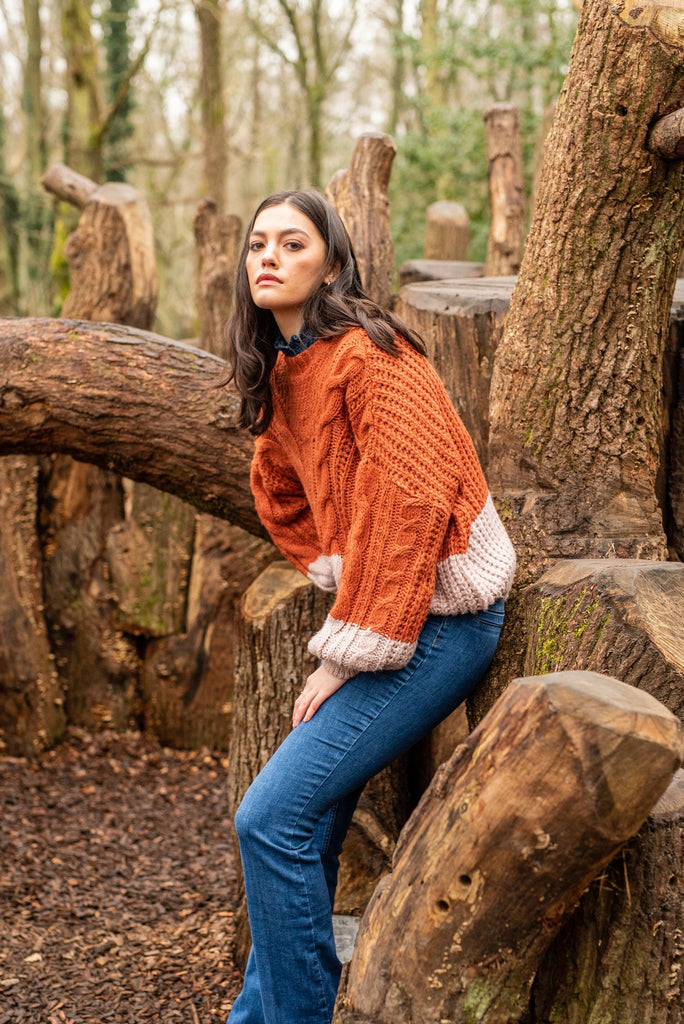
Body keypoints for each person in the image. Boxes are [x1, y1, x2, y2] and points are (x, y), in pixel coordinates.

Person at [223, 188, 516, 1024]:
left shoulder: (370, 356)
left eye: (293, 243)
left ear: (333, 265)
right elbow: (277, 488)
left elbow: (413, 499)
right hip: (391, 618)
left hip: (447, 625)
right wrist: (334, 564)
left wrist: (342, 648)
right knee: (301, 830)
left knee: (269, 820)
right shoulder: (287, 369)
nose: (268, 257)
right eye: (256, 245)